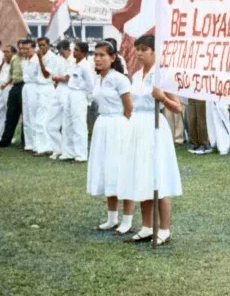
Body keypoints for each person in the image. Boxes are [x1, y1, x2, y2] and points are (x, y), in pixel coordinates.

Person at [118, 35, 182, 245]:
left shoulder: (163, 75)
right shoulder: (136, 76)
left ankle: (164, 229)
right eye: (137, 49)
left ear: (155, 52)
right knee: (141, 176)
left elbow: (178, 107)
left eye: (144, 49)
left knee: (158, 177)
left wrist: (162, 98)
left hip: (155, 127)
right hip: (138, 126)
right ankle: (146, 226)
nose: (139, 53)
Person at [88, 41, 135, 232]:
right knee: (107, 170)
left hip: (118, 126)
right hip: (103, 125)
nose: (98, 59)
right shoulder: (97, 78)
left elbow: (129, 108)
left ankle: (127, 220)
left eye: (102, 55)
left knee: (122, 171)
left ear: (113, 57)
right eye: (96, 55)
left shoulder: (120, 79)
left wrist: (121, 127)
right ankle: (112, 218)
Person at [59, 41, 94, 162]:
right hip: (70, 92)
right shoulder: (73, 63)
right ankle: (68, 152)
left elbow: (90, 85)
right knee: (67, 123)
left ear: (83, 53)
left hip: (80, 95)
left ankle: (81, 154)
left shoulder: (86, 66)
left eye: (77, 50)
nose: (74, 52)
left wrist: (88, 100)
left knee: (79, 124)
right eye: (74, 49)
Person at [0, 41, 27, 148]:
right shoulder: (14, 58)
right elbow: (11, 74)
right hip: (15, 86)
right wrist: (6, 83)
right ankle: (5, 140)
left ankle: (25, 142)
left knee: (26, 116)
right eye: (20, 48)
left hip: (25, 86)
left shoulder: (28, 59)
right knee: (10, 115)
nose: (22, 50)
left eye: (24, 48)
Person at [46, 40, 72, 159]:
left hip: (70, 91)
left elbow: (67, 78)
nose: (61, 54)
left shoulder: (74, 59)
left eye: (63, 52)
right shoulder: (58, 59)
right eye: (59, 52)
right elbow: (54, 76)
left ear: (68, 49)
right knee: (50, 123)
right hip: (59, 90)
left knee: (67, 124)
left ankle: (68, 151)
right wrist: (58, 78)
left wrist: (60, 78)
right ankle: (58, 149)